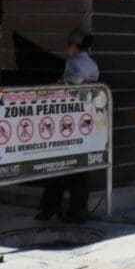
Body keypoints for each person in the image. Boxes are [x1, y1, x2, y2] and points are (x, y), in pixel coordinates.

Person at [37, 29, 100, 222]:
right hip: (86, 122)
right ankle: (78, 209)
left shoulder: (73, 63)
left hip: (68, 122)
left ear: (74, 45)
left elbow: (70, 85)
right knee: (81, 170)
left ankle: (49, 207)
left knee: (59, 165)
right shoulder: (94, 65)